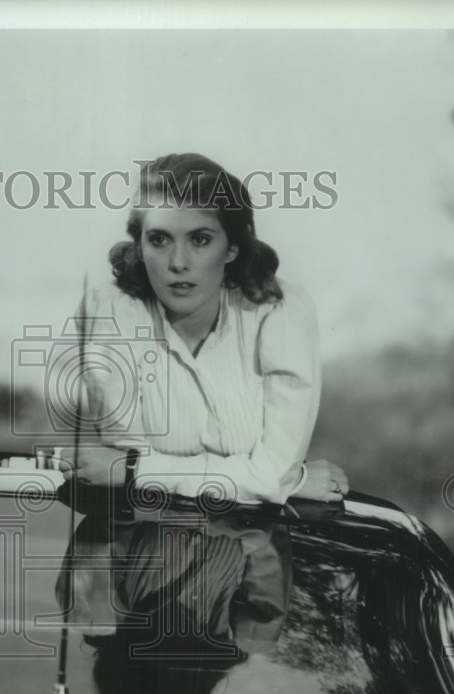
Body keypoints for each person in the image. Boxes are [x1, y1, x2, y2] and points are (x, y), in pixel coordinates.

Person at [59, 152, 349, 504]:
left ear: (232, 248)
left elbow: (125, 471)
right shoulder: (110, 312)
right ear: (140, 245)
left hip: (255, 551)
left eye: (200, 240)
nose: (178, 263)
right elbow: (124, 476)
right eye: (160, 240)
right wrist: (282, 483)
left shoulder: (281, 312)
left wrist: (138, 471)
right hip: (145, 542)